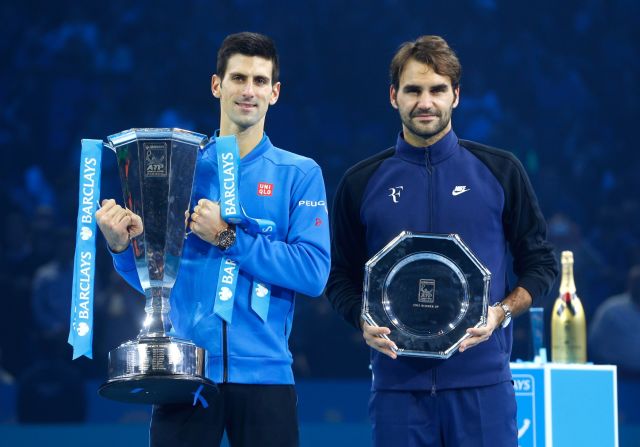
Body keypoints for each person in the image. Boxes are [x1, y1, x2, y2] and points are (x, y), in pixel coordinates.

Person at [96, 32, 330, 447]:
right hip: (186, 373)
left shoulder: (299, 173)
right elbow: (159, 280)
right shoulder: (181, 166)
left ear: (275, 93)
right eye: (238, 78)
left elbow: (313, 274)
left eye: (260, 81)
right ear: (216, 85)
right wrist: (120, 250)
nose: (248, 91)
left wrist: (227, 238)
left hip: (266, 374)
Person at [326, 35, 558, 447]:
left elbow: (541, 265)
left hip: (483, 387)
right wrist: (360, 320)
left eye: (437, 89)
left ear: (456, 96)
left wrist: (501, 312)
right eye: (413, 90)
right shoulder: (362, 182)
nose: (425, 102)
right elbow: (339, 275)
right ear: (394, 96)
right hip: (398, 389)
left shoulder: (499, 171)